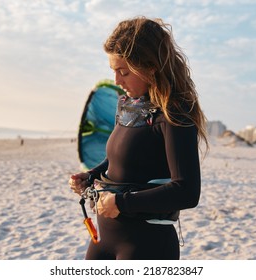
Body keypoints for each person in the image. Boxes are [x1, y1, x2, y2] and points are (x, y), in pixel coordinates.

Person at [69, 16, 209, 260]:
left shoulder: (174, 114)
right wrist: (91, 176)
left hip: (146, 245)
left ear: (150, 66)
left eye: (123, 72)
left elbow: (187, 191)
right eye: (113, 71)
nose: (116, 81)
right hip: (105, 240)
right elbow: (120, 161)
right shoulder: (127, 104)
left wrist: (122, 203)